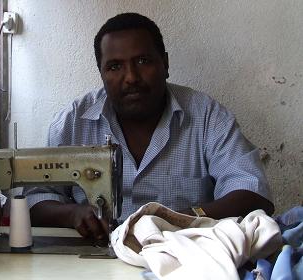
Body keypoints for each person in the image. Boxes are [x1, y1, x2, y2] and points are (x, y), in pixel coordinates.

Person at [26, 13, 274, 240]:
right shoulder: (72, 123)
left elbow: (252, 193)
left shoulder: (207, 117)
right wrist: (72, 214)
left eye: (143, 61)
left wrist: (179, 219)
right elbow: (33, 198)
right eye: (114, 67)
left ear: (165, 64)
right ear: (101, 72)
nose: (131, 77)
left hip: (185, 257)